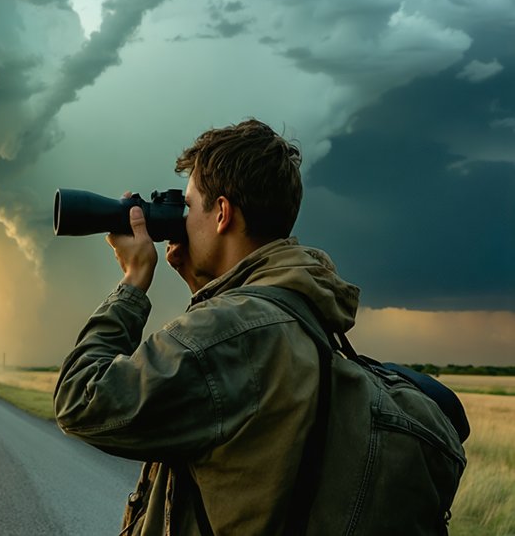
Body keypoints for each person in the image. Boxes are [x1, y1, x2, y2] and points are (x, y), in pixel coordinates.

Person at [53, 119, 361, 535]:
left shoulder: (233, 332)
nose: (182, 218)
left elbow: (80, 400)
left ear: (221, 214)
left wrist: (134, 280)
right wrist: (201, 279)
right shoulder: (306, 316)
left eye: (190, 204)